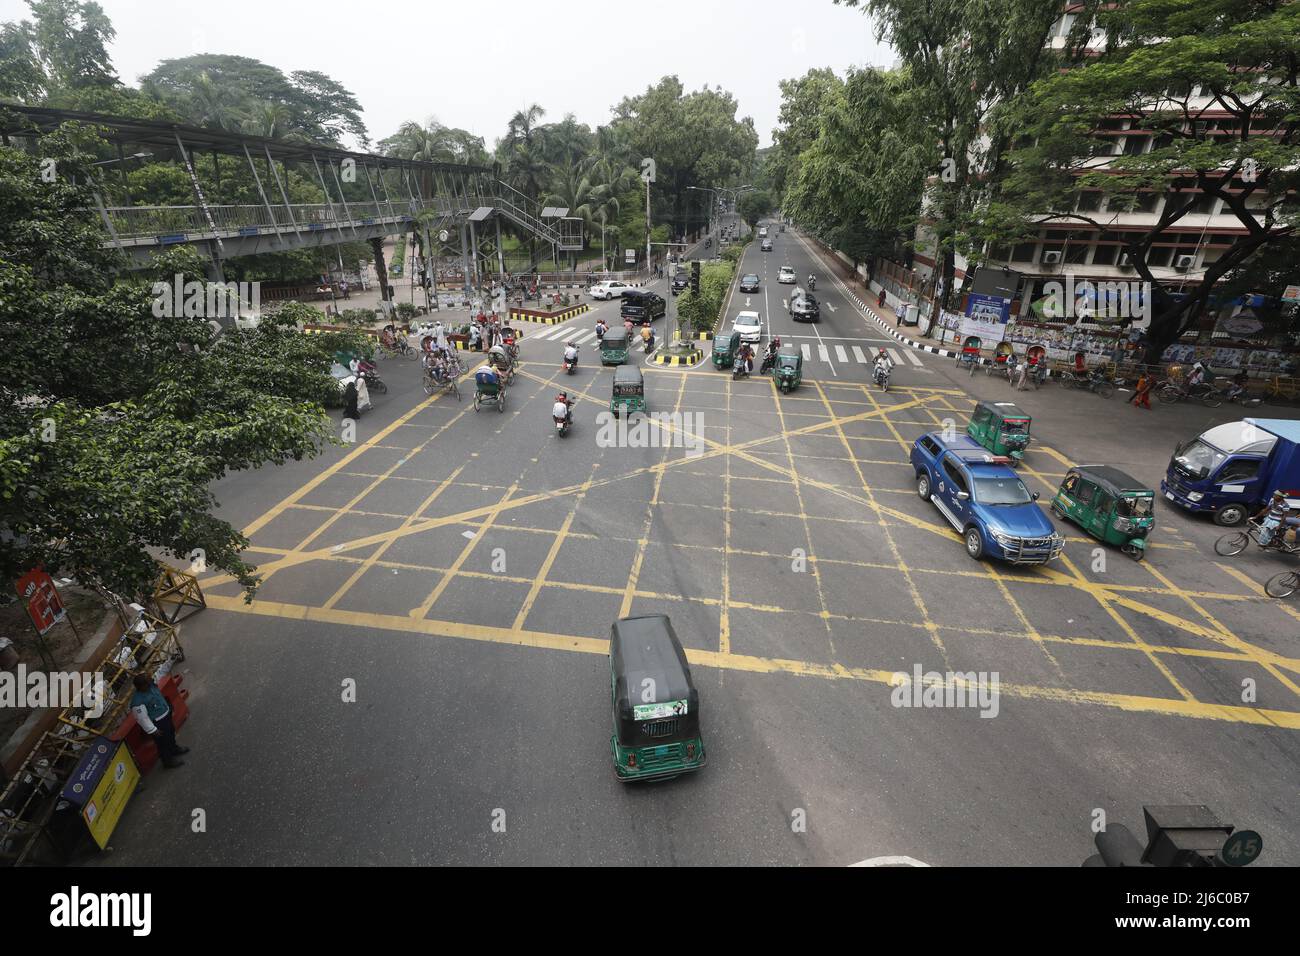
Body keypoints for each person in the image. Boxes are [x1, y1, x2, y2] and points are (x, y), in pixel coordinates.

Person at [130, 673, 188, 769]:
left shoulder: (151, 686)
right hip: (158, 723)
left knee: (171, 734)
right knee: (162, 743)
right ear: (142, 686)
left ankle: (174, 749)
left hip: (166, 715)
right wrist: (153, 730)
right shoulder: (137, 702)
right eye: (148, 682)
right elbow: (142, 718)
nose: (151, 682)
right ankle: (168, 761)